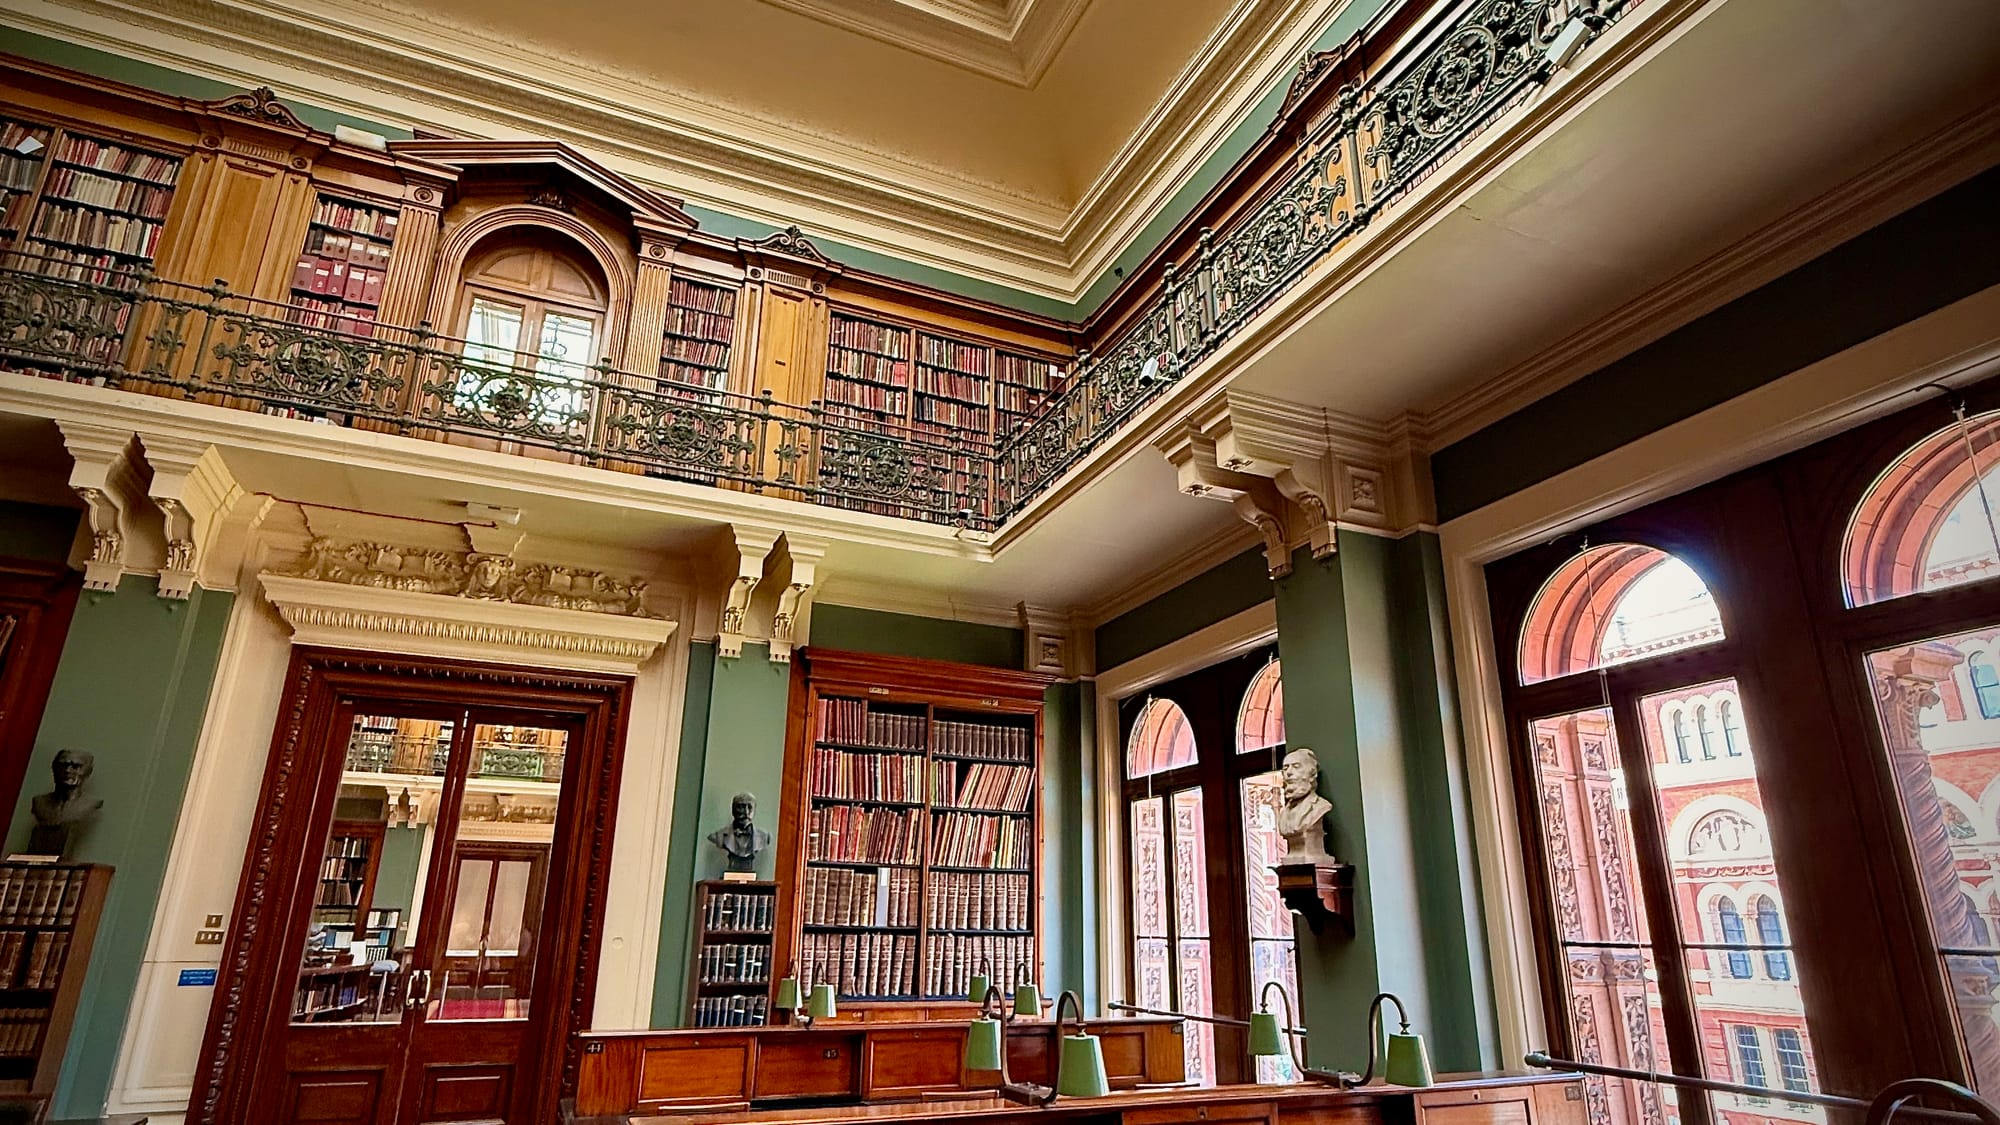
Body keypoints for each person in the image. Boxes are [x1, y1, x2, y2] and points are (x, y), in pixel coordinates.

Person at [27, 749, 103, 858]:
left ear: (87, 772)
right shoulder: (39, 802)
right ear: (54, 769)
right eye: (63, 765)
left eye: (76, 767)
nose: (68, 770)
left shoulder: (90, 804)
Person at [1273, 747, 1334, 863]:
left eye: (1296, 766)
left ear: (1312, 773)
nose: (1289, 773)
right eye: (1285, 768)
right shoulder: (1283, 813)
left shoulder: (1320, 806)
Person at [708, 792, 771, 874]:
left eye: (750, 807)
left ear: (755, 810)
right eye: (741, 807)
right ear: (733, 810)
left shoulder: (765, 837)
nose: (746, 812)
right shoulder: (718, 836)